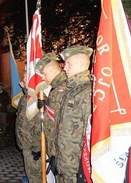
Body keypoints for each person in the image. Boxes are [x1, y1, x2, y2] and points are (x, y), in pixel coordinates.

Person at [56, 45, 93, 182]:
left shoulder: (88, 92)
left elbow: (91, 133)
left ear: (79, 64)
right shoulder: (72, 90)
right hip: (65, 164)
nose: (64, 68)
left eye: (68, 64)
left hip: (77, 167)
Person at [35, 52, 68, 169]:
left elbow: (63, 124)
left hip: (63, 151)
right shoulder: (55, 88)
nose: (42, 78)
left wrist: (56, 153)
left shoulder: (64, 87)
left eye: (44, 74)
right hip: (55, 149)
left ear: (53, 70)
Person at [15, 72, 42, 183]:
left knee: (36, 177)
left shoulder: (37, 99)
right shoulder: (25, 98)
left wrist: (37, 148)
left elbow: (40, 123)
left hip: (33, 147)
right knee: (31, 176)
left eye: (26, 77)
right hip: (26, 144)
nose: (23, 80)